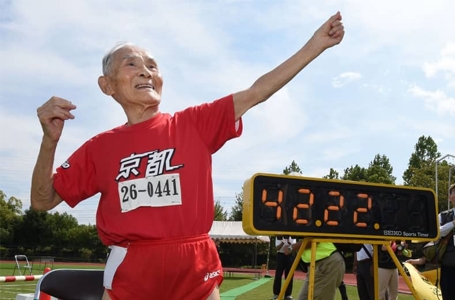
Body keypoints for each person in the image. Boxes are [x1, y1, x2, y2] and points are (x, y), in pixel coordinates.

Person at [30, 11, 345, 300]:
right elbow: (43, 200)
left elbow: (256, 92)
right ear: (107, 85)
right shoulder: (100, 148)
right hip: (131, 270)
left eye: (152, 65)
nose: (145, 72)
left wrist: (315, 45)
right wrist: (49, 141)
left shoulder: (193, 124)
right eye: (131, 64)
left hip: (196, 266)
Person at [273, 236, 297, 300]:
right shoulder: (279, 236)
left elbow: (294, 247)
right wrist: (282, 243)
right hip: (281, 255)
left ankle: (288, 295)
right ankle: (276, 295)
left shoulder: (292, 236)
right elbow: (277, 248)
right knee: (278, 275)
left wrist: (289, 243)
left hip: (289, 255)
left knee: (289, 275)